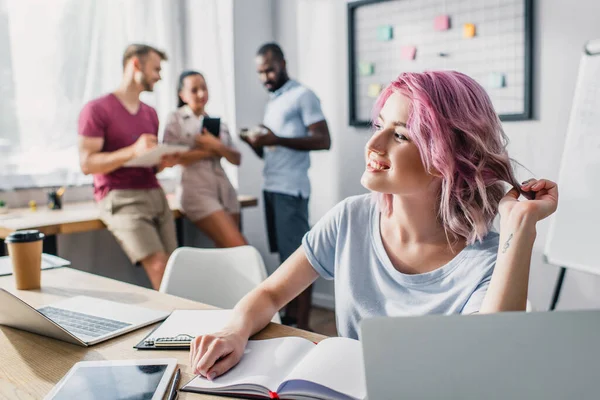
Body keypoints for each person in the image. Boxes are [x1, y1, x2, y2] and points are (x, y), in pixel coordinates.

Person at [188, 70, 559, 380]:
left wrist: (519, 224)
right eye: (379, 126)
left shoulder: (487, 260)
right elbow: (270, 294)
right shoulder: (351, 218)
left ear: (449, 156)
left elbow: (488, 362)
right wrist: (233, 330)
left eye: (399, 135)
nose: (374, 144)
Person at [240, 43, 331, 330]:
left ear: (282, 63)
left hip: (291, 190)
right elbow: (273, 148)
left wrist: (275, 139)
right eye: (260, 72)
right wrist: (257, 143)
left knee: (300, 261)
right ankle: (291, 322)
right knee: (285, 262)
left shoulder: (302, 96)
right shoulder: (274, 101)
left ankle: (302, 328)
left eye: (269, 69)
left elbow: (323, 140)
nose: (265, 76)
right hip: (272, 188)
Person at [78, 44, 179, 290]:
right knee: (159, 266)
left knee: (177, 269)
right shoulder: (97, 110)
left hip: (155, 195)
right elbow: (87, 163)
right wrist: (133, 150)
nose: (159, 75)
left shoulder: (150, 113)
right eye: (155, 69)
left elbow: (147, 165)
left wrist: (162, 163)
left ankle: (187, 324)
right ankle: (178, 326)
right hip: (121, 198)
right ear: (135, 64)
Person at [163, 70, 246, 247]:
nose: (201, 94)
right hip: (196, 190)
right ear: (182, 95)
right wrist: (213, 149)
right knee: (240, 247)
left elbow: (237, 158)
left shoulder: (218, 123)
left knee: (229, 253)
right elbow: (170, 159)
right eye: (194, 90)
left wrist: (215, 146)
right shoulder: (176, 119)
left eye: (204, 88)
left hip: (225, 190)